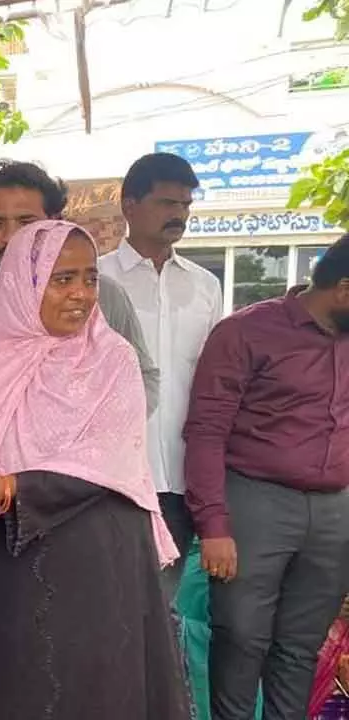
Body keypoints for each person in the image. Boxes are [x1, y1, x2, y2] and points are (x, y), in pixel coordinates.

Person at [0, 220, 189, 720]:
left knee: (95, 690)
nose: (82, 295)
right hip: (13, 561)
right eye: (62, 279)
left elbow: (104, 457)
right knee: (18, 685)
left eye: (90, 278)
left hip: (95, 559)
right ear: (20, 287)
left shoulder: (112, 360)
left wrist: (10, 487)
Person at [183, 233, 349, 720]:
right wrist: (213, 526)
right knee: (241, 639)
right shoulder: (246, 333)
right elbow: (206, 430)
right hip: (254, 503)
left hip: (334, 511)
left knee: (300, 647)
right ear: (344, 289)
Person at [0, 160, 160, 430]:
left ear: (56, 223)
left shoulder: (104, 297)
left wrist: (101, 425)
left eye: (26, 221)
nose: (10, 237)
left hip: (82, 468)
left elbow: (145, 377)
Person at [99, 152, 223, 602]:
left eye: (186, 205)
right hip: (110, 476)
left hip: (181, 476)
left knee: (158, 606)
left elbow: (214, 384)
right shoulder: (92, 280)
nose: (179, 215)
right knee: (107, 602)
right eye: (167, 203)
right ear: (129, 206)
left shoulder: (205, 286)